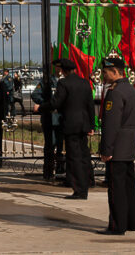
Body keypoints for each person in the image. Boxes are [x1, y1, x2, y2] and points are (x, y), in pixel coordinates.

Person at [96, 57, 135, 236]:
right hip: (128, 147)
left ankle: (117, 225)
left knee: (116, 189)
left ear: (115, 72)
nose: (103, 76)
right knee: (129, 187)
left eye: (105, 73)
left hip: (117, 149)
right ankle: (131, 222)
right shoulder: (131, 90)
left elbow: (111, 125)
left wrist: (106, 149)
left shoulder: (115, 93)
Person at [42, 58, 95, 199]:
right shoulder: (84, 82)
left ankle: (79, 190)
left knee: (74, 158)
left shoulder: (63, 83)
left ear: (63, 70)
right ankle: (89, 180)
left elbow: (56, 102)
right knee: (84, 155)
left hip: (71, 125)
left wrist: (40, 107)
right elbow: (90, 105)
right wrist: (92, 125)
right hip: (83, 124)